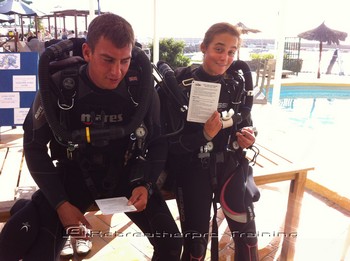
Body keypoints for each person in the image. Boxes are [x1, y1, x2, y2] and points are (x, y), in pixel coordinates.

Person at [0, 13, 182, 261]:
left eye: (124, 61)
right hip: (74, 175)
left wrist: (147, 184)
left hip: (127, 174)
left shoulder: (140, 87)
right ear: (87, 52)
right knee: (35, 252)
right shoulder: (59, 86)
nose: (116, 71)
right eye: (107, 60)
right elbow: (34, 148)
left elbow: (159, 141)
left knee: (172, 245)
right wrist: (61, 204)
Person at [162, 22, 260, 260]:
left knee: (248, 238)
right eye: (219, 48)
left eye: (231, 51)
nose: (225, 57)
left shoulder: (236, 85)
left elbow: (246, 120)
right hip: (192, 169)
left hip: (229, 164)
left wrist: (248, 136)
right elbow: (165, 144)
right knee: (195, 246)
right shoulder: (178, 85)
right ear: (203, 47)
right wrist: (203, 136)